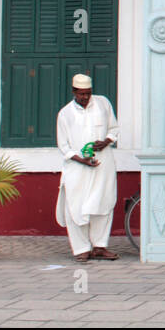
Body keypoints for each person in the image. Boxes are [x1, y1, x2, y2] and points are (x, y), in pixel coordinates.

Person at [55, 73, 120, 261]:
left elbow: (114, 129)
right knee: (76, 206)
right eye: (81, 94)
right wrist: (81, 160)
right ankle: (81, 248)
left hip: (103, 164)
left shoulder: (103, 104)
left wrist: (106, 141)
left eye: (88, 93)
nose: (85, 97)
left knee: (104, 203)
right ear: (74, 91)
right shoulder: (65, 114)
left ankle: (100, 246)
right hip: (77, 168)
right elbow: (63, 146)